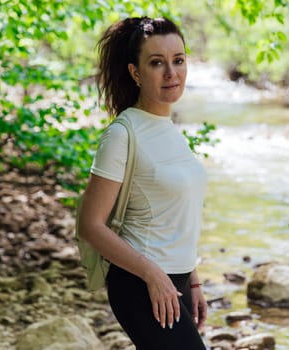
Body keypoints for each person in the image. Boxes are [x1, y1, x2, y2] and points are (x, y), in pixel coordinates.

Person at [78, 16, 208, 349]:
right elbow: (90, 225)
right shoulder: (123, 134)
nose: (171, 73)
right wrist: (152, 274)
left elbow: (173, 215)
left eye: (178, 60)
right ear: (135, 72)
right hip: (139, 283)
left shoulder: (169, 128)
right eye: (156, 63)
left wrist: (191, 279)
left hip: (174, 281)